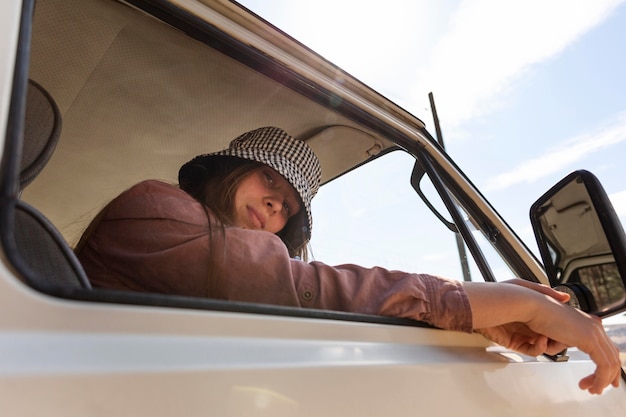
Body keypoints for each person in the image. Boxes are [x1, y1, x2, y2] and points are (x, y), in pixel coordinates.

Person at [76, 126, 621, 395]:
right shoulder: (155, 211)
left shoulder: (222, 284)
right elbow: (311, 290)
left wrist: (492, 318)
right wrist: (516, 300)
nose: (275, 205)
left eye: (288, 207)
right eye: (268, 178)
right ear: (226, 171)